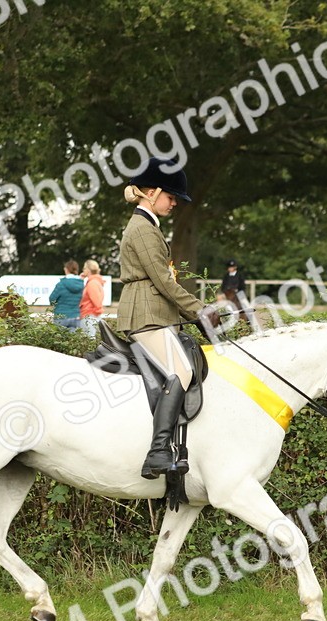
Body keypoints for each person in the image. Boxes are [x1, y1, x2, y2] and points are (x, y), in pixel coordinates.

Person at [118, 156, 219, 479]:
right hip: (145, 315)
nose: (175, 202)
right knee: (182, 370)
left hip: (155, 313)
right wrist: (199, 311)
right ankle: (158, 451)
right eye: (171, 196)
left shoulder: (149, 226)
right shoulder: (144, 230)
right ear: (152, 192)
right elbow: (163, 282)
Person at [49, 260, 84, 330]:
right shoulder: (81, 284)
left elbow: (52, 299)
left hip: (61, 316)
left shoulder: (61, 284)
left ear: (66, 269)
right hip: (75, 316)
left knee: (59, 340)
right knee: (73, 340)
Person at [79, 259, 106, 336]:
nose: (83, 270)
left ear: (88, 269)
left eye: (84, 268)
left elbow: (97, 302)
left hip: (89, 315)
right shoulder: (94, 282)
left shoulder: (92, 283)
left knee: (89, 340)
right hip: (91, 315)